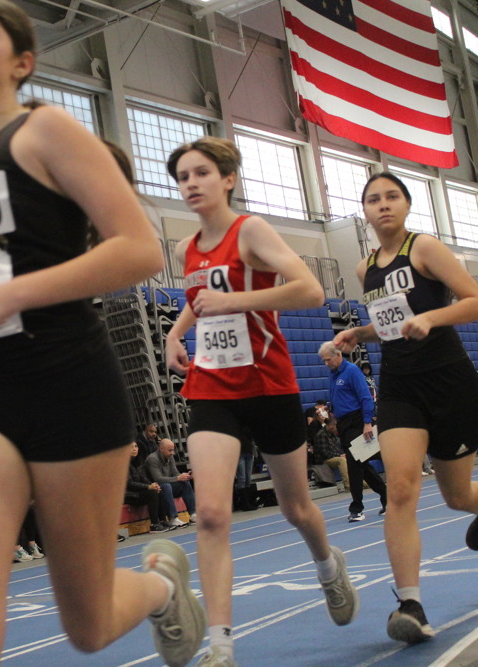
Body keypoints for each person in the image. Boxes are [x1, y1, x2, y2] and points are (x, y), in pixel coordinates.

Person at [0, 3, 204, 662]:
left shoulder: (43, 129)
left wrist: (7, 294)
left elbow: (139, 250)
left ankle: (161, 587)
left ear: (22, 61)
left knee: (88, 623)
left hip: (67, 385)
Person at [163, 136, 358, 667]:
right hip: (212, 387)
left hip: (269, 385)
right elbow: (201, 300)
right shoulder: (184, 249)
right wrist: (176, 332)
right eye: (183, 177)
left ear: (228, 179)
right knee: (209, 513)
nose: (191, 183)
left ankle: (328, 567)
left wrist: (236, 299)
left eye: (201, 173)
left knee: (297, 508)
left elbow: (310, 290)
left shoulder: (249, 231)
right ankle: (220, 647)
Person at [333, 171, 478, 645]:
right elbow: (390, 323)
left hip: (448, 382)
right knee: (401, 489)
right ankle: (409, 604)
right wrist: (361, 334)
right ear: (364, 212)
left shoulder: (424, 248)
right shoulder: (364, 268)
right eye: (374, 199)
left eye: (392, 196)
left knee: (457, 496)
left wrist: (432, 317)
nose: (383, 204)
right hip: (399, 386)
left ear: (407, 205)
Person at [318, 342, 387, 521]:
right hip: (343, 424)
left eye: (328, 359)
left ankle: (357, 507)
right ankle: (386, 496)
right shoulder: (333, 374)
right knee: (361, 463)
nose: (326, 363)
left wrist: (367, 423)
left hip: (356, 421)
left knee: (354, 464)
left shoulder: (352, 371)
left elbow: (365, 397)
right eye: (324, 360)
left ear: (338, 355)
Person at [144, 439, 197, 528]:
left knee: (185, 483)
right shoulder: (152, 459)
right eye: (170, 450)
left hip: (167, 486)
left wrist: (185, 476)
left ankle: (193, 514)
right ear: (161, 448)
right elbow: (158, 479)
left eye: (173, 450)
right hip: (155, 489)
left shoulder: (170, 457)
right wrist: (178, 478)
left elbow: (175, 473)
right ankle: (173, 518)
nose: (172, 453)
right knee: (166, 486)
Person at [125, 443, 172, 533]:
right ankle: (154, 525)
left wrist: (153, 485)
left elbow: (143, 478)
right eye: (131, 447)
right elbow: (129, 484)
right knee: (152, 493)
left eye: (136, 446)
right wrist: (148, 487)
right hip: (128, 495)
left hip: (137, 492)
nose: (134, 449)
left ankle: (163, 521)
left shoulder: (136, 462)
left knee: (158, 489)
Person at [310, 418, 349, 490]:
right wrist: (339, 455)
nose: (337, 429)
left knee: (350, 458)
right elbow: (325, 453)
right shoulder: (321, 434)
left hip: (332, 457)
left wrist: (343, 454)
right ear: (331, 425)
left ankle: (361, 482)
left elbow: (337, 449)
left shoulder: (333, 434)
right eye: (336, 426)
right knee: (342, 460)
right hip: (324, 461)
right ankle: (348, 485)